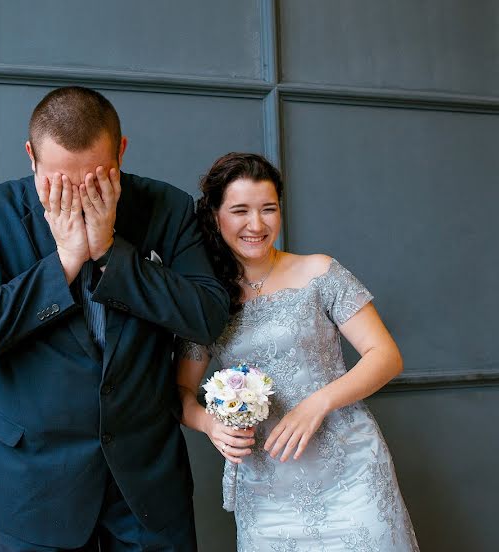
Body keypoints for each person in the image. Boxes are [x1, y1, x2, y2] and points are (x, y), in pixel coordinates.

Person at [0, 86, 229, 551]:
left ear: (121, 152)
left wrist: (115, 252)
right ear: (31, 156)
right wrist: (65, 263)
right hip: (31, 482)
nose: (76, 196)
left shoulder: (167, 208)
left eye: (95, 179)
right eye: (58, 181)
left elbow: (208, 316)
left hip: (146, 483)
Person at [176, 153, 419, 551]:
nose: (257, 225)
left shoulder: (320, 272)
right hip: (266, 492)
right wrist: (210, 426)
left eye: (268, 209)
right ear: (215, 215)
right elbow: (181, 393)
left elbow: (386, 355)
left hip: (352, 475)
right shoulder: (207, 299)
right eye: (240, 211)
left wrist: (318, 402)